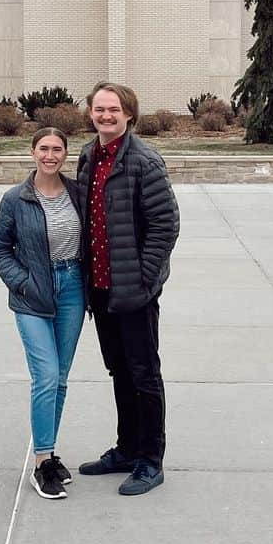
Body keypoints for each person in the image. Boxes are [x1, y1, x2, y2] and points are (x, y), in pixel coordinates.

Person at [76, 81, 179, 496]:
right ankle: (126, 449)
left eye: (113, 110)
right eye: (99, 109)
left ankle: (150, 461)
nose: (105, 116)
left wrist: (143, 280)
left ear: (129, 114)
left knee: (144, 374)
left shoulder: (144, 161)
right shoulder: (88, 156)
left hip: (134, 292)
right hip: (100, 290)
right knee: (119, 370)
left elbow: (165, 226)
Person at [0, 126, 86, 500]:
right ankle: (40, 462)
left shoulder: (77, 193)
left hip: (73, 288)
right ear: (33, 152)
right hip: (33, 295)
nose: (50, 155)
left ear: (65, 154)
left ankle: (50, 452)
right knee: (45, 374)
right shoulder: (16, 199)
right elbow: (0, 250)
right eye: (44, 148)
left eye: (57, 149)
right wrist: (24, 283)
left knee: (60, 377)